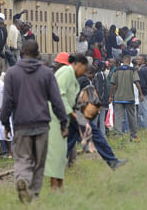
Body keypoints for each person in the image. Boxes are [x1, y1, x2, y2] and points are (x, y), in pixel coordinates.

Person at [0, 40, 68, 203]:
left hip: (21, 124)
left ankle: (22, 179)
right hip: (41, 125)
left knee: (23, 158)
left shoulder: (12, 73)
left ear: (22, 53)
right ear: (38, 54)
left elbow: (7, 101)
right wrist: (63, 122)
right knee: (39, 161)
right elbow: (57, 100)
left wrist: (5, 123)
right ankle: (34, 193)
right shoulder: (46, 73)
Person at [44, 53, 85, 189]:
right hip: (56, 116)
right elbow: (60, 96)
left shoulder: (70, 75)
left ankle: (59, 185)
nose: (83, 73)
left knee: (61, 152)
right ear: (78, 65)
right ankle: (54, 186)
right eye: (83, 69)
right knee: (56, 152)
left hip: (62, 116)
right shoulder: (66, 72)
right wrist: (72, 113)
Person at [110, 54, 142, 140]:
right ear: (130, 61)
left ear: (122, 61)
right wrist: (141, 94)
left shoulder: (116, 70)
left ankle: (117, 135)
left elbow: (112, 84)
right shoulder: (132, 70)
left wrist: (110, 96)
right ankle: (133, 135)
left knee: (118, 117)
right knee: (131, 117)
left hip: (118, 98)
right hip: (129, 97)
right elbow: (137, 82)